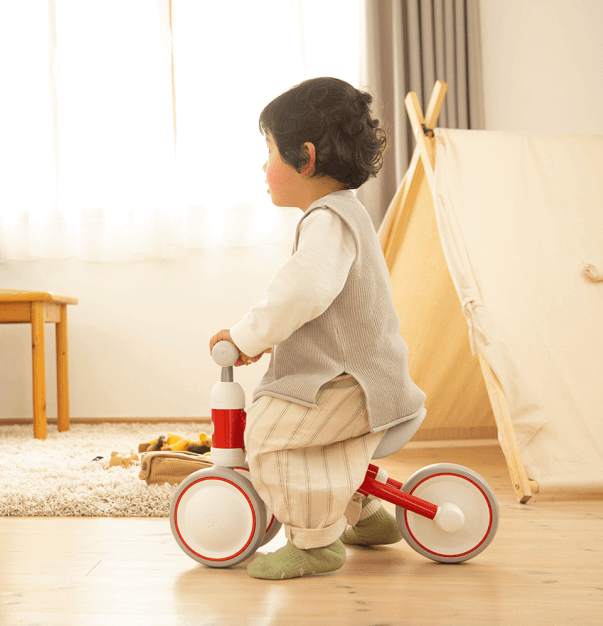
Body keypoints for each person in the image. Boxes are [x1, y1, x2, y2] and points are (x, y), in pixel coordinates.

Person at [209, 77, 426, 580]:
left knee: (270, 436)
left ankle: (312, 544)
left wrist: (245, 337)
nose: (263, 168)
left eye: (269, 153)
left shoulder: (328, 220)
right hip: (357, 377)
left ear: (304, 158)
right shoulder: (343, 215)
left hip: (353, 384)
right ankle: (367, 517)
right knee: (312, 437)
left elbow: (299, 293)